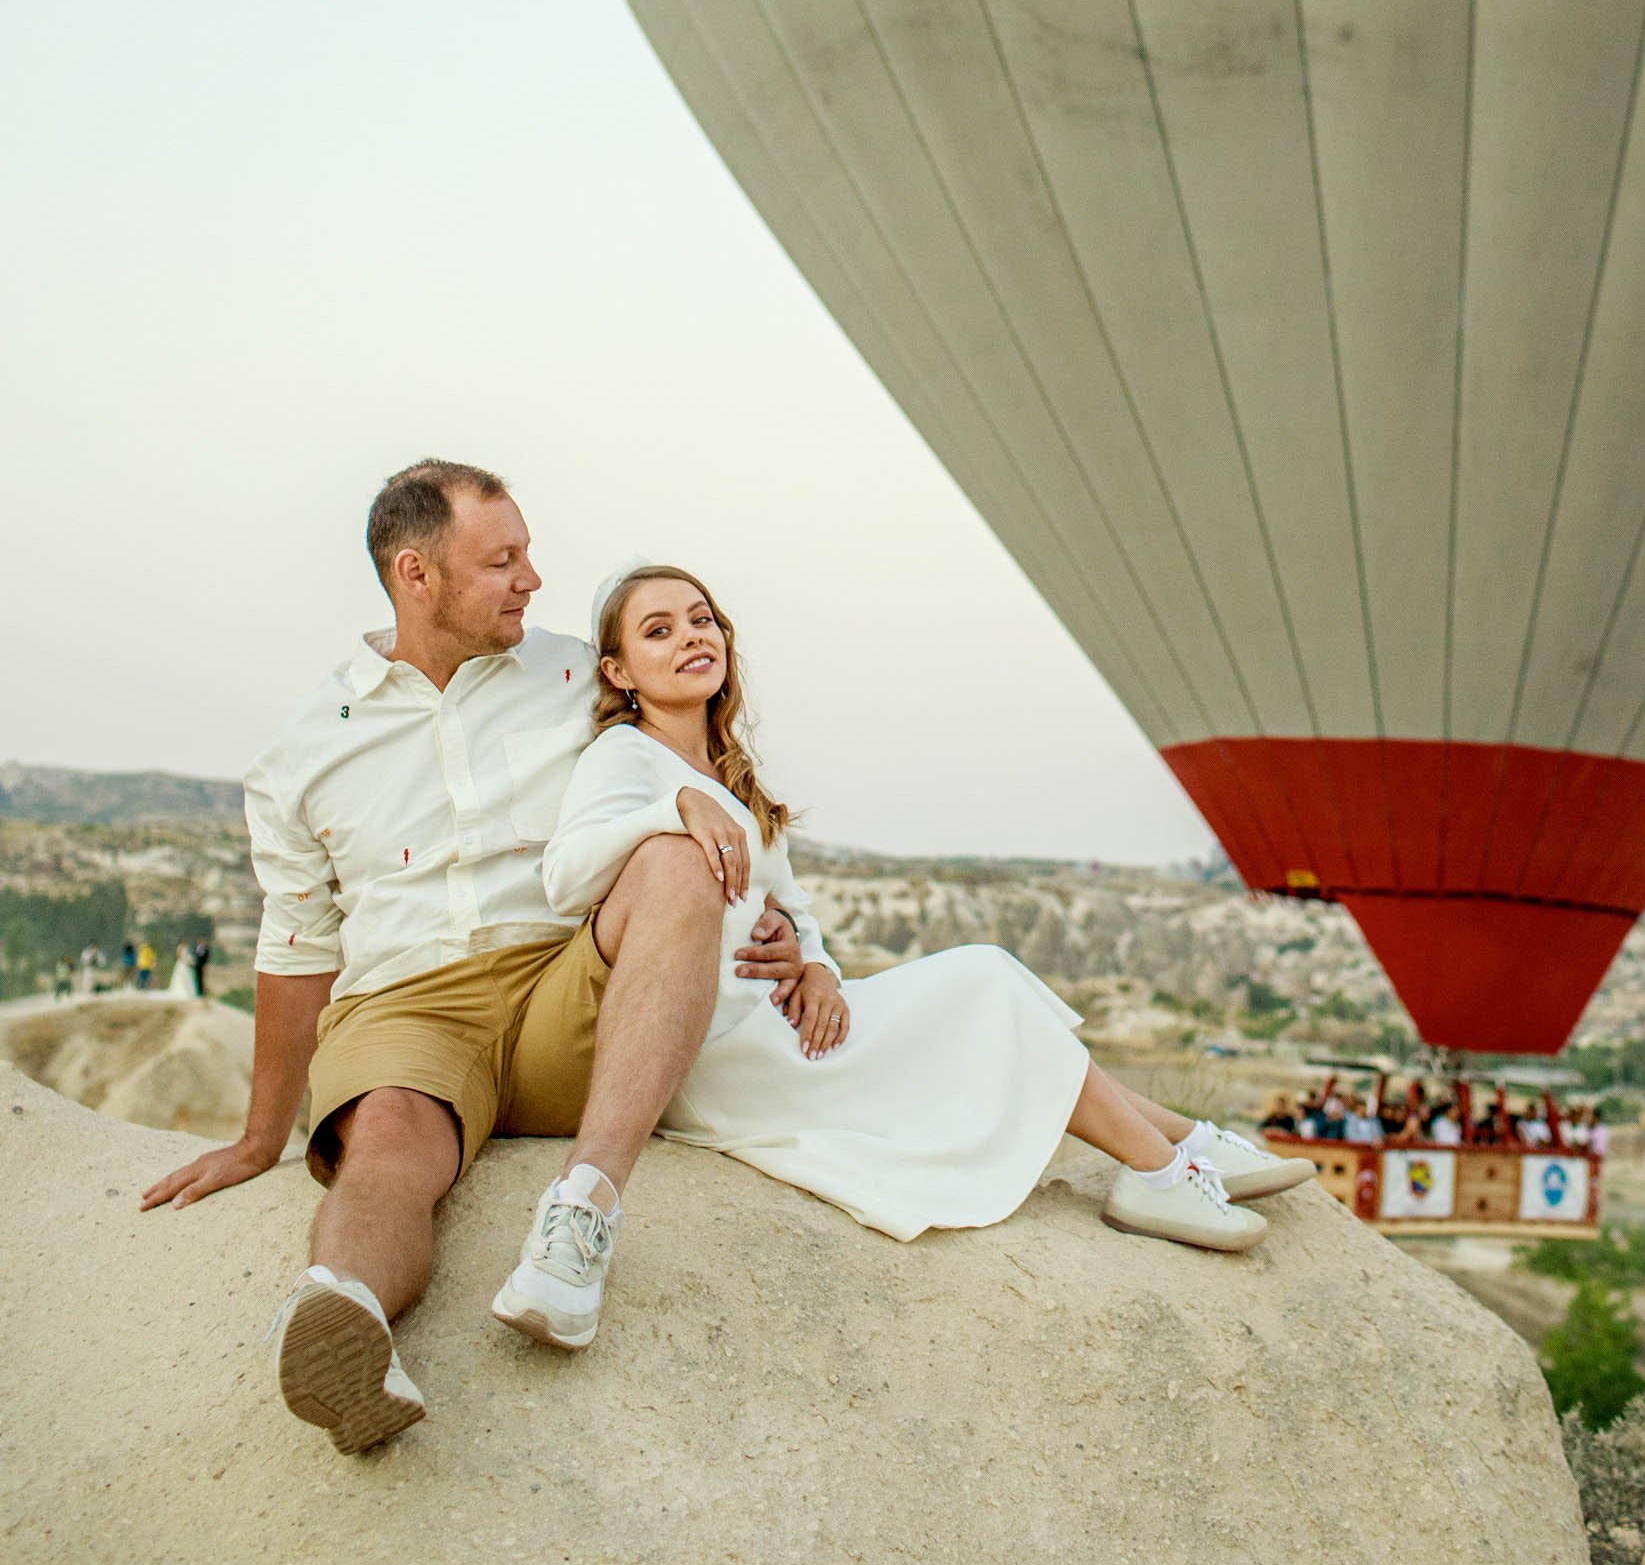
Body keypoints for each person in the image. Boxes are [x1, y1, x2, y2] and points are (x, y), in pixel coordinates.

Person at [142, 461, 808, 1457]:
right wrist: (257, 1137)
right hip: (408, 1008)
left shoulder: (586, 671)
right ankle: (345, 1322)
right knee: (387, 1152)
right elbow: (296, 946)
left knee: (667, 858)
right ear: (417, 576)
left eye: (528, 554)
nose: (533, 579)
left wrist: (786, 922)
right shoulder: (302, 750)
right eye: (501, 561)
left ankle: (579, 1219)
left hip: (566, 987)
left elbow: (705, 763)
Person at [511, 563, 1309, 1331]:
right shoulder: (626, 758)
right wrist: (670, 811)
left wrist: (817, 964)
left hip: (776, 1024)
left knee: (988, 987)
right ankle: (1163, 1170)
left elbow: (793, 906)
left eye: (703, 619)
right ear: (618, 671)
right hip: (715, 1054)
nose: (693, 636)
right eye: (660, 630)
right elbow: (568, 877)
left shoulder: (727, 769)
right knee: (985, 986)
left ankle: (1184, 1144)